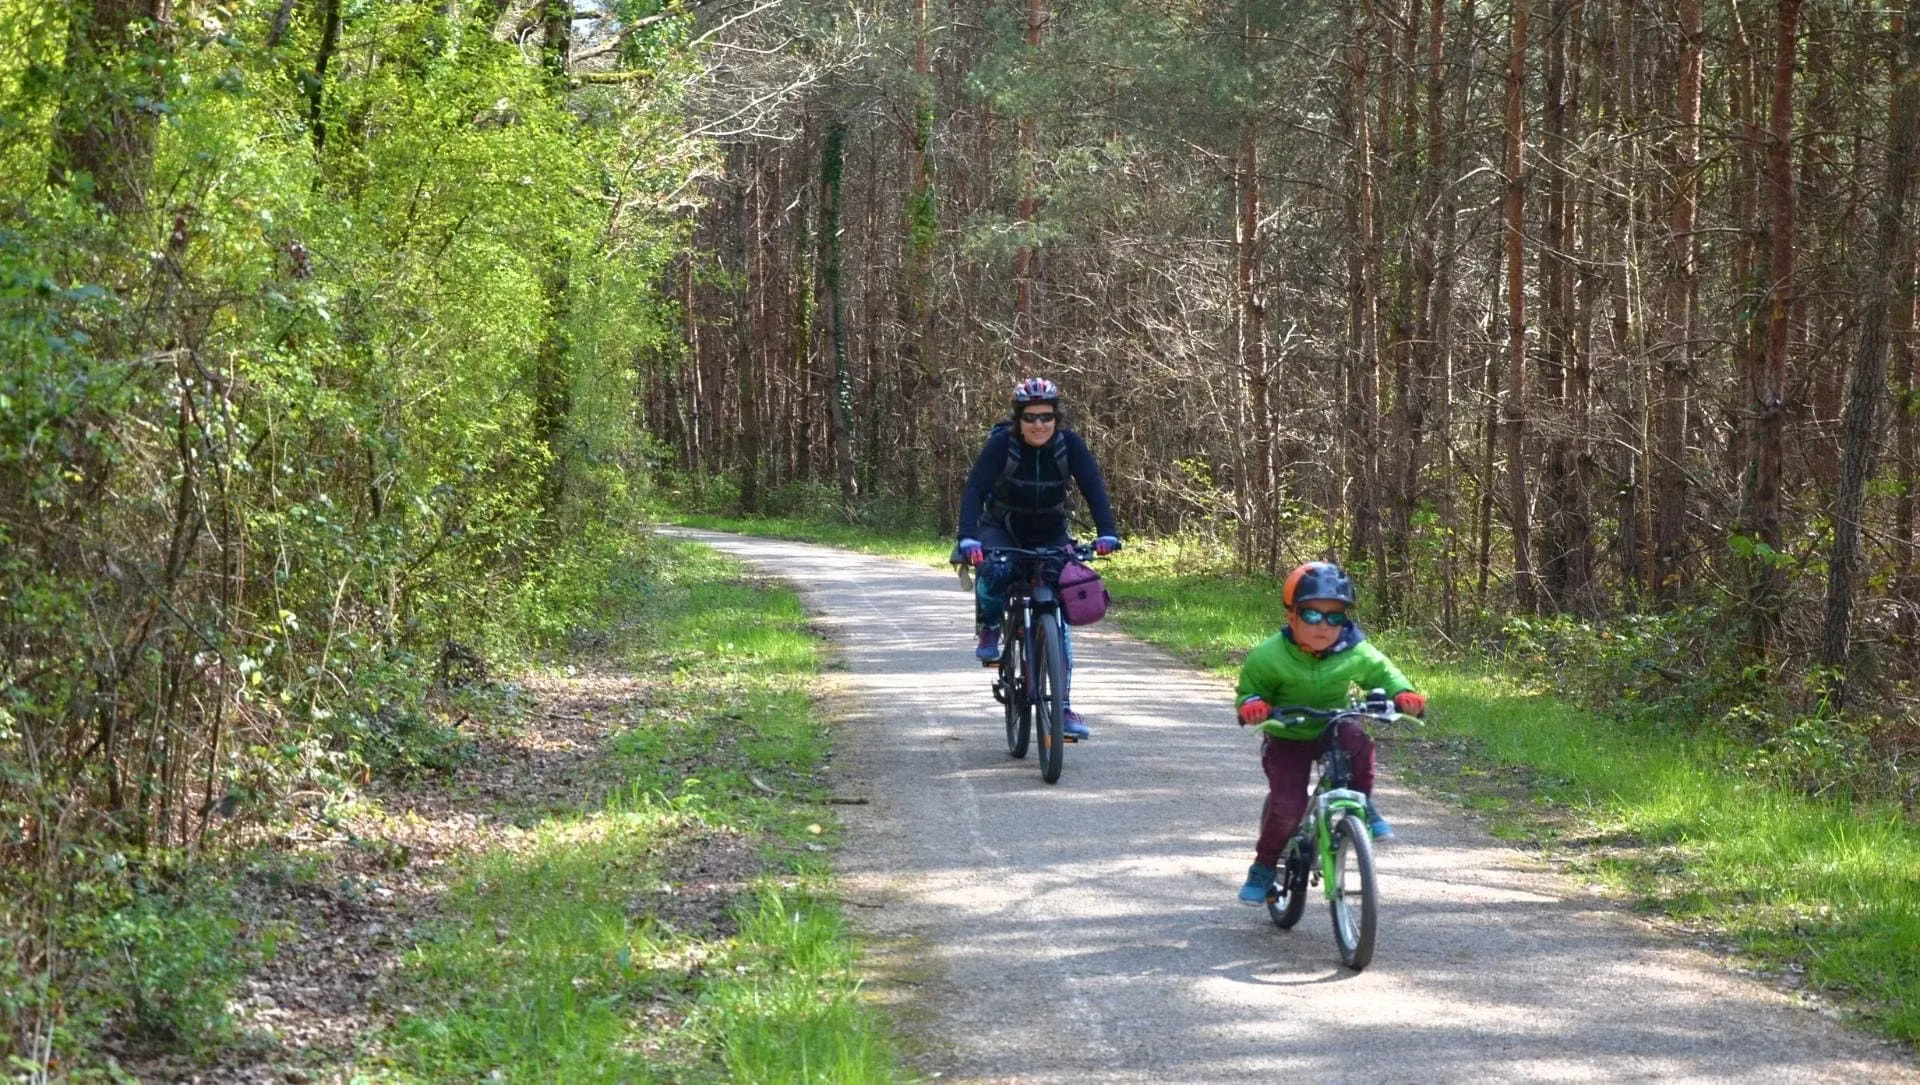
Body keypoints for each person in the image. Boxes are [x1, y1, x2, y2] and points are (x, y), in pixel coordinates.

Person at [1231, 560, 1427, 906]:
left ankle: (1362, 805)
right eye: (1312, 616)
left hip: (1332, 726)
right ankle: (1263, 866)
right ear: (1291, 615)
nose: (1324, 626)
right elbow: (1250, 691)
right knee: (1288, 807)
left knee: (1359, 742)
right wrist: (1253, 706)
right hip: (1287, 734)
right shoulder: (1269, 655)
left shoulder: (1354, 649)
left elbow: (1386, 674)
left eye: (1335, 617)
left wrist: (1403, 695)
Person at [956, 377, 1121, 740]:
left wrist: (1106, 532)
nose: (1038, 425)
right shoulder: (1003, 445)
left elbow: (1093, 485)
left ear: (1056, 418)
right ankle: (991, 626)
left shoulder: (1069, 445)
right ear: (1019, 419)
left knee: (1060, 614)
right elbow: (975, 489)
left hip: (1050, 531)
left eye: (1046, 417)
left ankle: (1061, 706)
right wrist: (967, 538)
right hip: (1003, 527)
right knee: (996, 568)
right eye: (1030, 417)